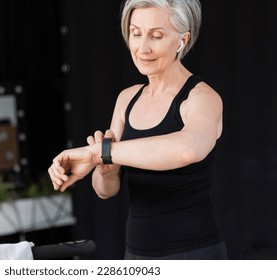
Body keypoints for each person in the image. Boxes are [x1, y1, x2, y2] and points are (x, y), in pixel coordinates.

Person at [48, 0, 227, 260]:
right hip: (136, 255)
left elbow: (189, 148)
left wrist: (101, 152)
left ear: (182, 40)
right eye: (136, 33)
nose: (142, 48)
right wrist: (105, 168)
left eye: (156, 35)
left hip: (193, 254)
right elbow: (105, 190)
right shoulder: (127, 99)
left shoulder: (202, 97)